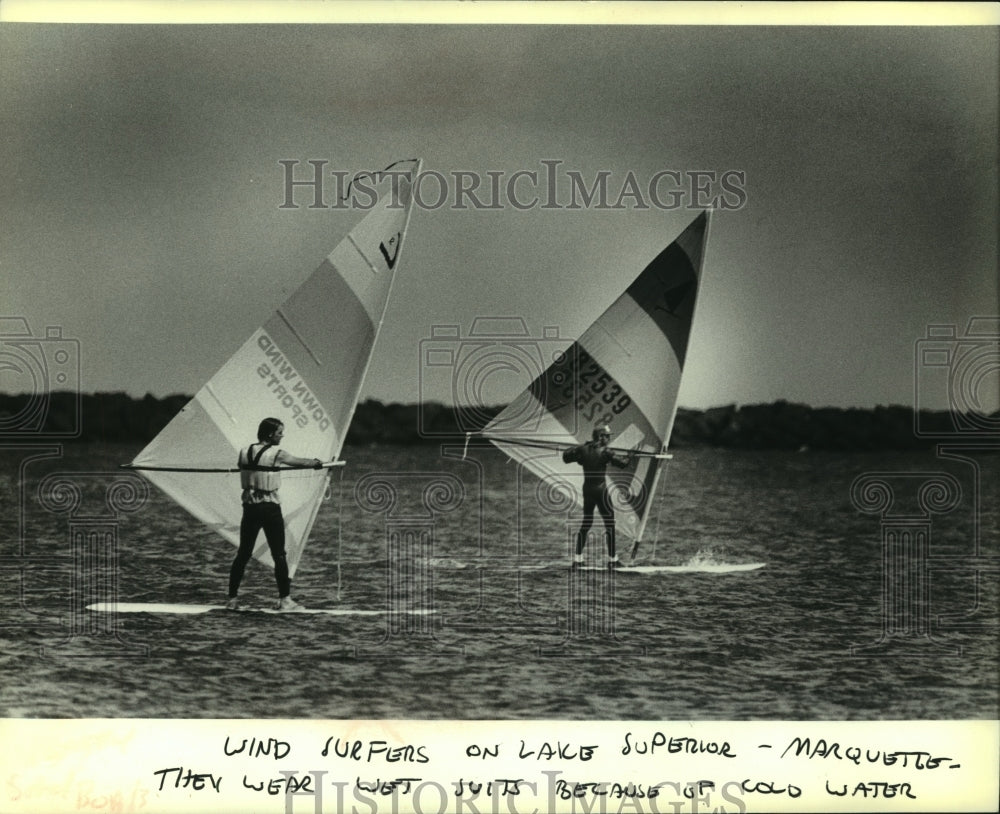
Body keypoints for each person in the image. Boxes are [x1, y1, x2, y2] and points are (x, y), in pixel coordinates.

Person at [227, 417, 324, 611]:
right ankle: (285, 600)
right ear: (271, 435)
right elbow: (300, 462)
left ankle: (232, 600)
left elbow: (243, 468)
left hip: (250, 509)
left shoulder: (244, 452)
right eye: (280, 432)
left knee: (243, 554)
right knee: (279, 554)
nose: (282, 436)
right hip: (270, 509)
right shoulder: (277, 454)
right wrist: (317, 463)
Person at [562, 424, 633, 568]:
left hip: (587, 490)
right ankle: (613, 561)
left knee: (586, 523)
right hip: (600, 491)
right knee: (610, 525)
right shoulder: (606, 451)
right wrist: (631, 455)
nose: (608, 439)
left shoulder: (582, 449)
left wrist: (577, 450)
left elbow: (566, 457)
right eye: (607, 436)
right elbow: (623, 464)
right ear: (600, 437)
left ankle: (577, 559)